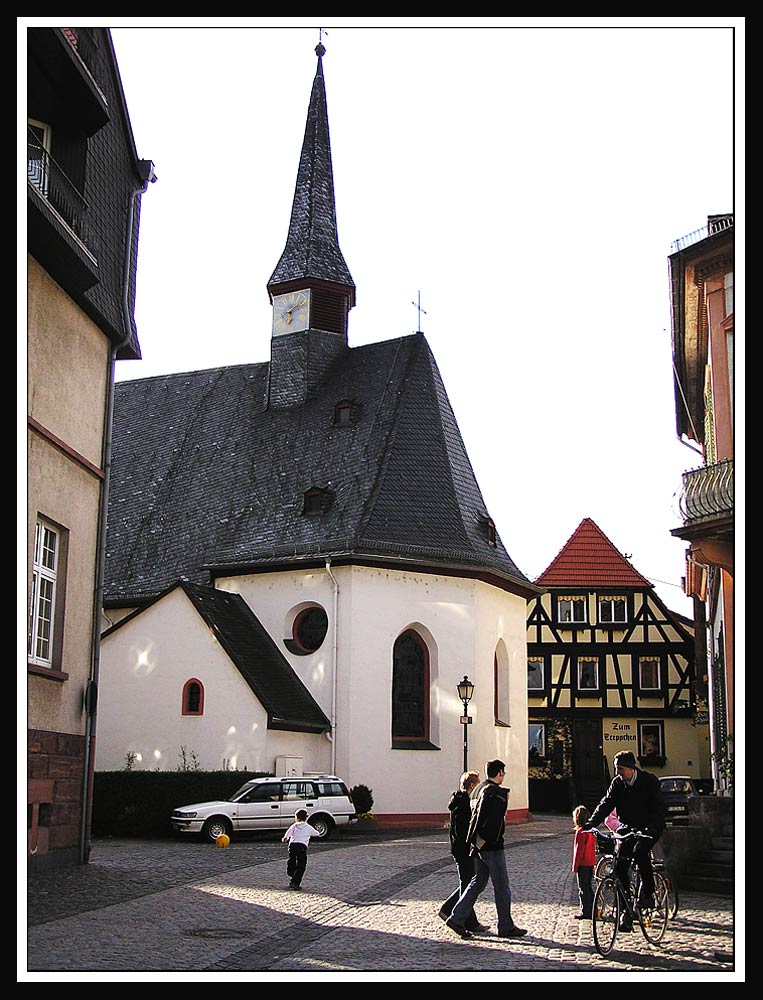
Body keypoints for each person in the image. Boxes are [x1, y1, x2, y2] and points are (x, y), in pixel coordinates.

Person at [445, 759, 528, 940]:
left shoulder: (478, 790)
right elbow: (494, 823)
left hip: (477, 845)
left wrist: (475, 841)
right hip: (491, 846)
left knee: (477, 883)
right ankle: (505, 926)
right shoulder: (495, 793)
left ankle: (457, 917)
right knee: (502, 886)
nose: (504, 775)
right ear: (499, 773)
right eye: (503, 773)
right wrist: (492, 840)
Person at [584, 750, 666, 930]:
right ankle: (626, 910)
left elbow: (659, 808)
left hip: (649, 827)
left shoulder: (649, 781)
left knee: (640, 852)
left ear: (631, 768)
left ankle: (648, 893)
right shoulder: (618, 784)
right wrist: (590, 824)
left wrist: (652, 827)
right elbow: (606, 804)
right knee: (620, 865)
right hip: (628, 827)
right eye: (616, 769)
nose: (617, 772)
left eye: (620, 768)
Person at [438, 770, 490, 933]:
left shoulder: (460, 800)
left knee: (468, 882)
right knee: (468, 884)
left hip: (460, 849)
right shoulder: (463, 804)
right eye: (478, 784)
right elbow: (462, 830)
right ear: (472, 785)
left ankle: (448, 910)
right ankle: (468, 921)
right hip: (463, 850)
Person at [281, 808, 320, 890]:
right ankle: (295, 882)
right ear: (306, 818)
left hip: (292, 845)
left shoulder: (294, 826)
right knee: (301, 865)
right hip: (302, 846)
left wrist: (285, 838)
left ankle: (291, 871)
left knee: (292, 859)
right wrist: (317, 832)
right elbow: (316, 834)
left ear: (296, 817)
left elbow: (288, 833)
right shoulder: (308, 827)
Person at [571, 805, 596, 919]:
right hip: (590, 862)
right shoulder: (590, 831)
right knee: (588, 887)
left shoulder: (580, 832)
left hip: (583, 864)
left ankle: (585, 911)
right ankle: (592, 909)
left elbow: (579, 851)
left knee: (583, 888)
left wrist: (575, 866)